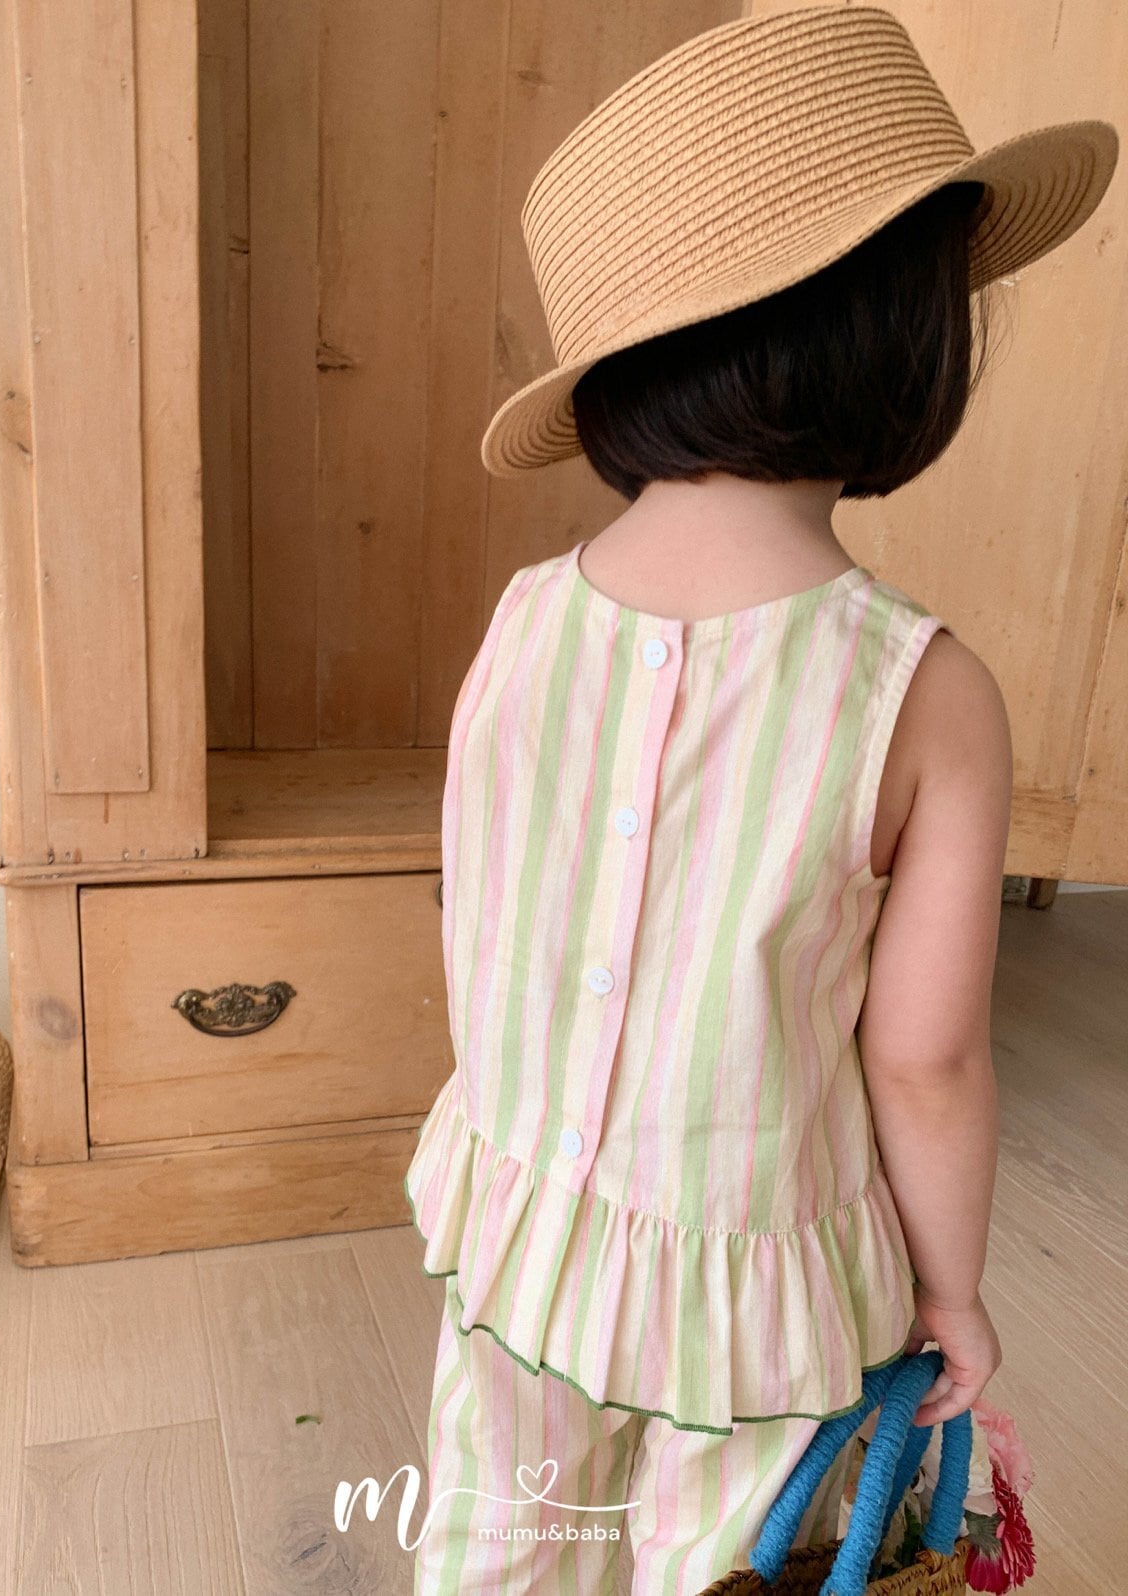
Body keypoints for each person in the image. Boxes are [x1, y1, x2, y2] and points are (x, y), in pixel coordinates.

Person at [403, 7, 1118, 1591]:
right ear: (897, 339)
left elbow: (481, 902)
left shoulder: (523, 621)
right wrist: (955, 1292)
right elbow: (926, 1059)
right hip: (755, 1280)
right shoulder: (923, 691)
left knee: (504, 1529)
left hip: (519, 1214)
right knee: (730, 1558)